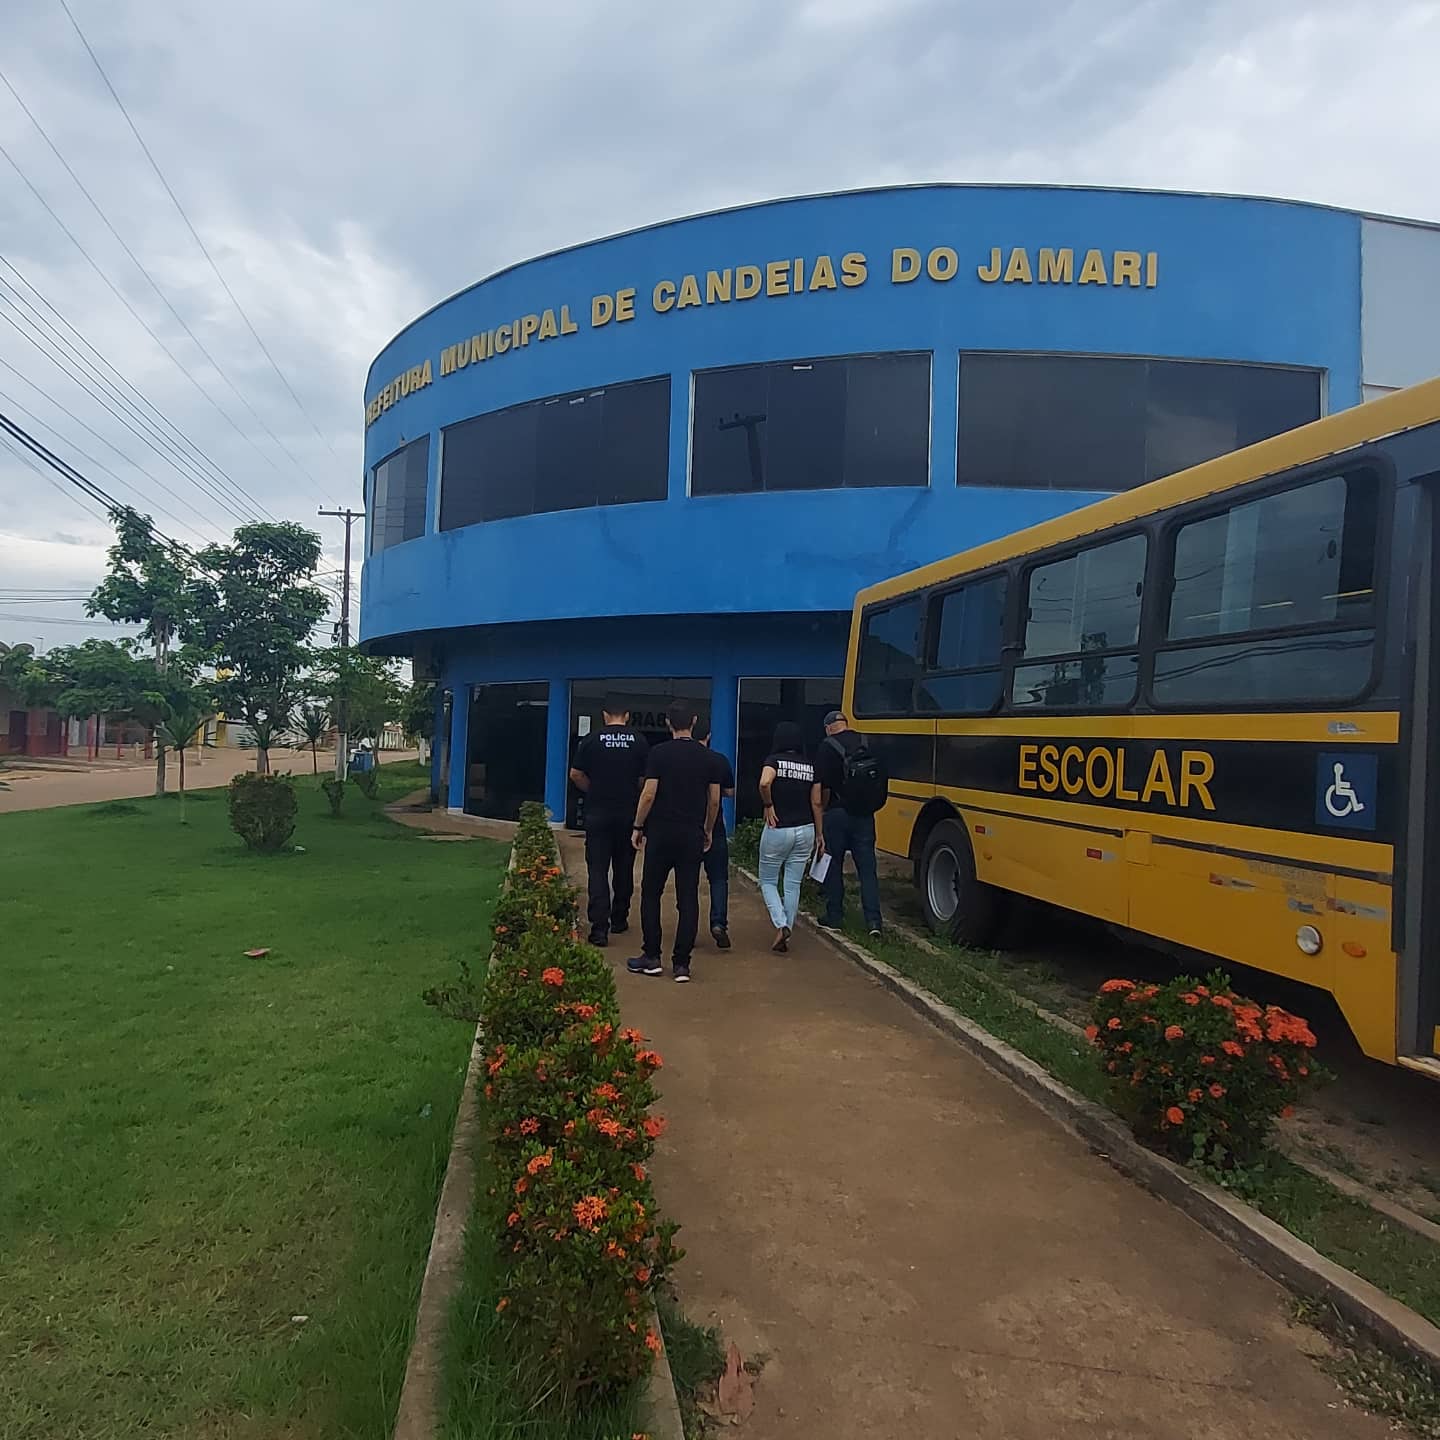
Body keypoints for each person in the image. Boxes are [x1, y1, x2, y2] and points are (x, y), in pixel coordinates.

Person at [628, 700, 720, 983]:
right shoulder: (709, 758)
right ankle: (682, 964)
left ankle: (652, 956)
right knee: (688, 897)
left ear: (668, 724)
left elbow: (648, 794)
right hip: (691, 833)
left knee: (651, 893)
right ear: (693, 722)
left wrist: (638, 825)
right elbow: (714, 799)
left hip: (661, 832)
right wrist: (708, 829)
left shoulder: (659, 753)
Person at [568, 701, 649, 947]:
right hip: (628, 813)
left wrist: (593, 791)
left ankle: (599, 928)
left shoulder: (591, 740)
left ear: (604, 716)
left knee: (598, 869)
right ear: (627, 715)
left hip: (597, 813)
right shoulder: (639, 741)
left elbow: (575, 774)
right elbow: (645, 778)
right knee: (624, 867)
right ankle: (620, 917)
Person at [814, 709, 885, 937]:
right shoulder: (867, 741)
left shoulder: (827, 746)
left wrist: (823, 811)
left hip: (837, 814)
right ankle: (874, 922)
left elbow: (822, 787)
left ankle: (834, 916)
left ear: (828, 728)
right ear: (845, 723)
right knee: (867, 869)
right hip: (865, 815)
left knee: (833, 865)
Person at [757, 721, 824, 952]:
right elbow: (816, 802)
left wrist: (768, 804)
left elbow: (765, 782)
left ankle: (781, 923)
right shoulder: (811, 766)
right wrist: (819, 834)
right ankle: (788, 930)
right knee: (793, 884)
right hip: (805, 829)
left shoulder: (773, 760)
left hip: (778, 828)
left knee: (767, 880)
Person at [694, 714, 735, 950]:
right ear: (708, 735)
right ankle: (718, 923)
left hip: (688, 825)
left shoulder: (683, 759)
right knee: (718, 878)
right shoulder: (719, 760)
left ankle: (688, 925)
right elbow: (727, 793)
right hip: (715, 827)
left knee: (688, 879)